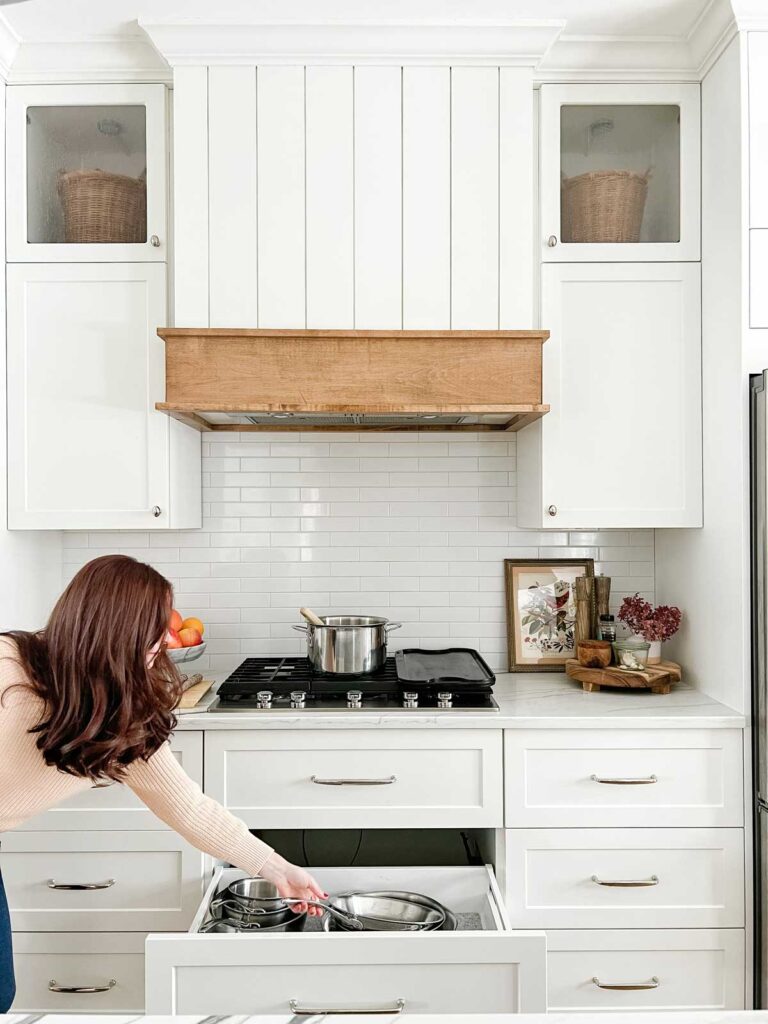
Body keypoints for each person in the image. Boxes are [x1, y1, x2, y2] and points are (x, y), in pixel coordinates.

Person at [0, 554, 326, 1013]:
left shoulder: (121, 715)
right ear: (117, 628)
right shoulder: (8, 668)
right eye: (156, 627)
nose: (167, 640)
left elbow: (190, 809)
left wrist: (276, 869)